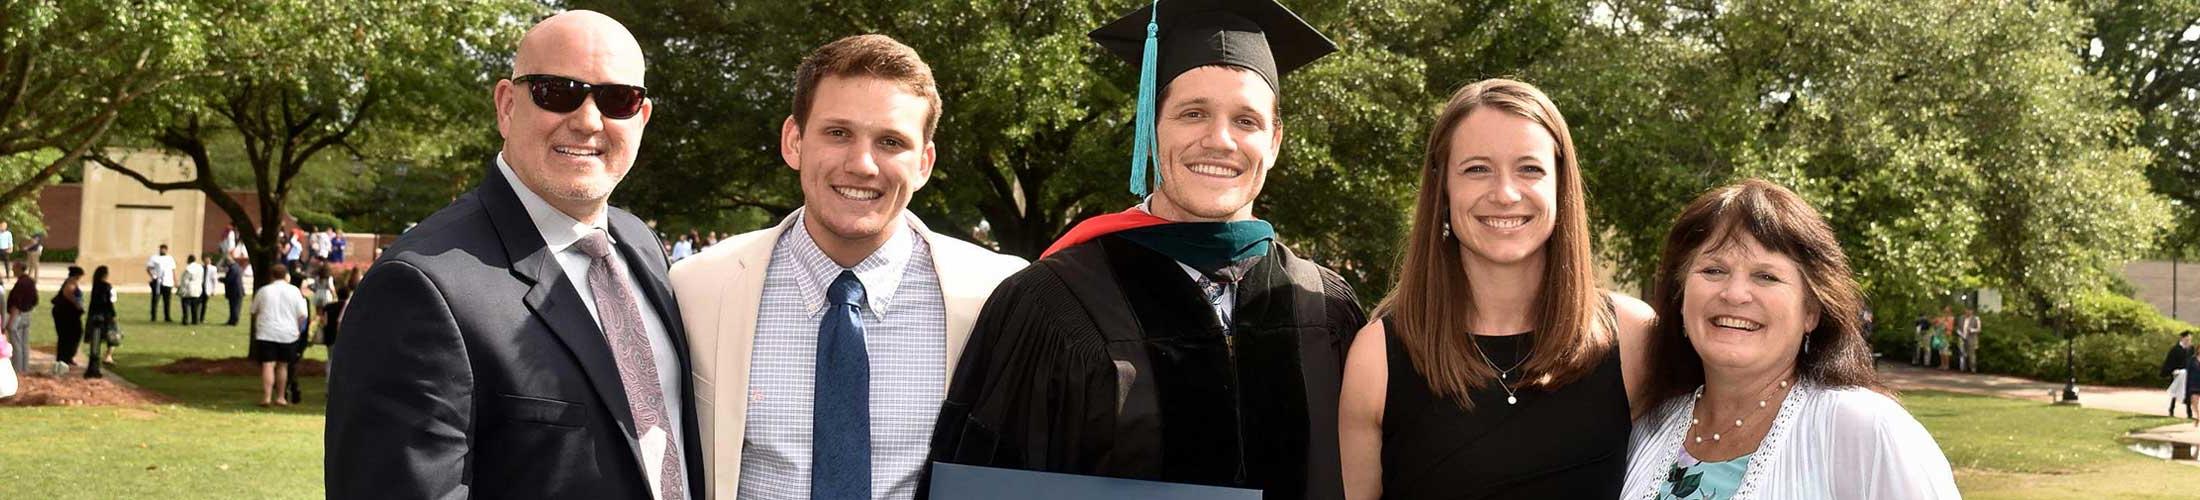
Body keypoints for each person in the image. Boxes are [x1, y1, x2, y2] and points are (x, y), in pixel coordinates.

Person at [927, 2, 1366, 497]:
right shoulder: (1050, 304)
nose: (1220, 140)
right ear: (1151, 127)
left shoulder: (1326, 307)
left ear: (1275, 141)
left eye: (1247, 121)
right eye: (1193, 113)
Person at [326, 11, 702, 499]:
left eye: (617, 99)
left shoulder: (642, 246)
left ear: (642, 118)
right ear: (506, 105)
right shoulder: (420, 287)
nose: (588, 121)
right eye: (557, 92)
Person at [667, 34, 1027, 500]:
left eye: (891, 142)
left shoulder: (996, 294)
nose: (861, 164)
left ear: (924, 163)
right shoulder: (698, 287)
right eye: (838, 133)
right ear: (794, 141)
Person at [1337, 79, 1658, 499]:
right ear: (1443, 189)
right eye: (1477, 169)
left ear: (1561, 184)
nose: (1505, 194)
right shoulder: (1377, 357)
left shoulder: (1634, 338)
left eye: (1529, 168)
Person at [1621, 179, 1958, 498]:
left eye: (1766, 276)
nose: (1735, 293)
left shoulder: (1866, 430)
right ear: (1681, 298)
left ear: (1811, 311)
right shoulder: (1649, 427)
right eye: (1713, 270)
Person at [250, 264, 309, 407]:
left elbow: (253, 311)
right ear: (286, 275)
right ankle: (281, 396)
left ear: (272, 275)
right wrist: (298, 328)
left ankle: (267, 396)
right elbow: (303, 314)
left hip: (266, 332)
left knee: (268, 365)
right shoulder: (294, 291)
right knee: (283, 365)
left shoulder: (264, 291)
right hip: (288, 333)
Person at [50, 266, 84, 370]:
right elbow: (68, 293)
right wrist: (78, 305)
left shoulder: (71, 282)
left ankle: (67, 357)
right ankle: (63, 358)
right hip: (65, 314)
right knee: (67, 336)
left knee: (71, 335)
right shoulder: (70, 282)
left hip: (68, 314)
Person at [83, 266, 113, 378]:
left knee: (94, 344)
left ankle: (92, 367)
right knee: (97, 342)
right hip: (101, 317)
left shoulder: (95, 286)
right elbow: (108, 303)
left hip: (93, 317)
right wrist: (112, 315)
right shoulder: (105, 286)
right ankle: (94, 369)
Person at [1, 262, 24, 375]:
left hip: (16, 315)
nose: (12, 270)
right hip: (20, 314)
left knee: (16, 343)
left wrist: (7, 323)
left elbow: (14, 304)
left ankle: (18, 368)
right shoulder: (26, 281)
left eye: (14, 268)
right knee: (21, 343)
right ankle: (21, 368)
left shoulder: (21, 284)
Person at [146, 244, 176, 322]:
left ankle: (167, 317)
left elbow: (173, 270)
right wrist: (153, 276)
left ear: (166, 250)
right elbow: (148, 268)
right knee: (155, 300)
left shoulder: (170, 258)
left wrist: (175, 281)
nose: (162, 250)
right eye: (161, 249)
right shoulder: (154, 258)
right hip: (157, 281)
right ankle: (153, 317)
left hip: (168, 282)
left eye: (164, 249)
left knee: (167, 301)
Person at [2167, 332, 2195, 418]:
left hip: (2187, 374)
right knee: (2175, 392)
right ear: (2182, 338)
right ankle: (2171, 409)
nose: (2189, 341)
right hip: (2178, 374)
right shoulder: (2175, 349)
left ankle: (2189, 412)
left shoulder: (2191, 349)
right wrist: (2173, 371)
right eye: (2187, 339)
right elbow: (2170, 362)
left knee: (2188, 392)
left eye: (2190, 339)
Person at [179, 255, 205, 325]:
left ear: (189, 260)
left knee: (186, 305)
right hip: (198, 289)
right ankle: (195, 320)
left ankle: (186, 320)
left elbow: (185, 280)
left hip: (189, 289)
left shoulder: (189, 268)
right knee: (195, 306)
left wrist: (181, 290)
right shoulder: (200, 267)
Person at [221, 258, 245, 325]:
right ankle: (232, 320)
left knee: (234, 307)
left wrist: (222, 279)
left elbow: (230, 279)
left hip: (235, 291)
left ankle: (234, 321)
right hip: (236, 291)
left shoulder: (233, 268)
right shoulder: (237, 267)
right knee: (234, 307)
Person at [1959, 307, 1981, 373]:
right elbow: (1958, 327)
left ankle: (1973, 369)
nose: (1968, 312)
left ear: (1972, 311)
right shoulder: (1961, 318)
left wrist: (1972, 330)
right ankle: (1963, 368)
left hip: (1971, 338)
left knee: (1972, 354)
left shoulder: (1976, 319)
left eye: (1969, 310)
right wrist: (1960, 333)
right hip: (1962, 337)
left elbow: (1979, 329)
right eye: (1966, 310)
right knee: (1962, 353)